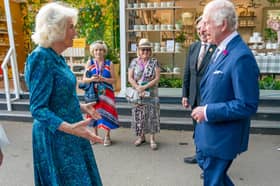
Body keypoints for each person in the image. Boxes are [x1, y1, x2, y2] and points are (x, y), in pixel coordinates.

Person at [24, 2, 103, 185]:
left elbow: (56, 96)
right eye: (71, 27)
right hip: (57, 137)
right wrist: (71, 128)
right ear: (56, 29)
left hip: (72, 132)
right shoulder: (40, 57)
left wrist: (81, 106)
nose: (75, 32)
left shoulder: (56, 57)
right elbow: (38, 109)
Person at [191, 0, 260, 185]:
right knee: (217, 179)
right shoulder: (221, 49)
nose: (203, 28)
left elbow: (247, 104)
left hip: (221, 139)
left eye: (206, 22)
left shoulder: (241, 56)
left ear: (222, 25)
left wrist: (207, 112)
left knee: (213, 180)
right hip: (210, 136)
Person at [182, 16, 216, 164]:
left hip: (209, 98)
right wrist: (185, 94)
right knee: (197, 129)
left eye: (203, 28)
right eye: (198, 29)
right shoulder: (193, 47)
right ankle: (199, 155)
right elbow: (187, 73)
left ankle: (210, 162)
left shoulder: (217, 48)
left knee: (209, 131)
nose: (201, 32)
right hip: (194, 96)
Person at [83, 40, 119, 146]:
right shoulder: (89, 63)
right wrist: (92, 79)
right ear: (93, 52)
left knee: (107, 114)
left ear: (104, 52)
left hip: (107, 94)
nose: (98, 52)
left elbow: (114, 80)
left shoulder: (109, 63)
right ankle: (95, 135)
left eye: (101, 50)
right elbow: (84, 79)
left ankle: (107, 136)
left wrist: (104, 79)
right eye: (96, 50)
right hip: (93, 94)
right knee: (94, 113)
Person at [128, 38, 161, 150]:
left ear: (150, 51)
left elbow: (157, 78)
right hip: (138, 94)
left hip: (151, 93)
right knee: (139, 115)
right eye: (143, 50)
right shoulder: (134, 62)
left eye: (147, 50)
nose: (145, 52)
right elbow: (130, 77)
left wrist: (144, 87)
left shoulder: (154, 62)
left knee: (152, 115)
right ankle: (141, 137)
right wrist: (138, 88)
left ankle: (152, 139)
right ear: (138, 50)